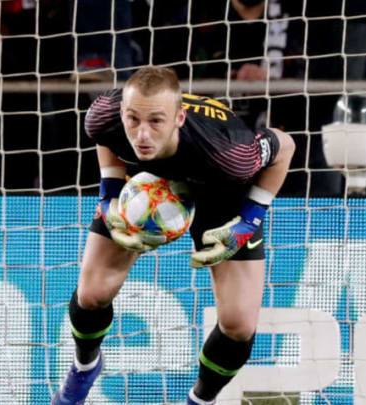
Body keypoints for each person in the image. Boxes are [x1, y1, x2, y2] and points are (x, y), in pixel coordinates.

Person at [51, 66, 295, 405]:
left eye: (156, 122)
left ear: (179, 118)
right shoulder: (104, 115)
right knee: (92, 293)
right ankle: (84, 367)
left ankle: (199, 400)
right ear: (123, 112)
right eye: (133, 119)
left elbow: (285, 146)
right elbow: (105, 136)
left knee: (238, 324)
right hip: (145, 180)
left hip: (220, 190)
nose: (142, 134)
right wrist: (109, 194)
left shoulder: (232, 154)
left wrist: (248, 222)